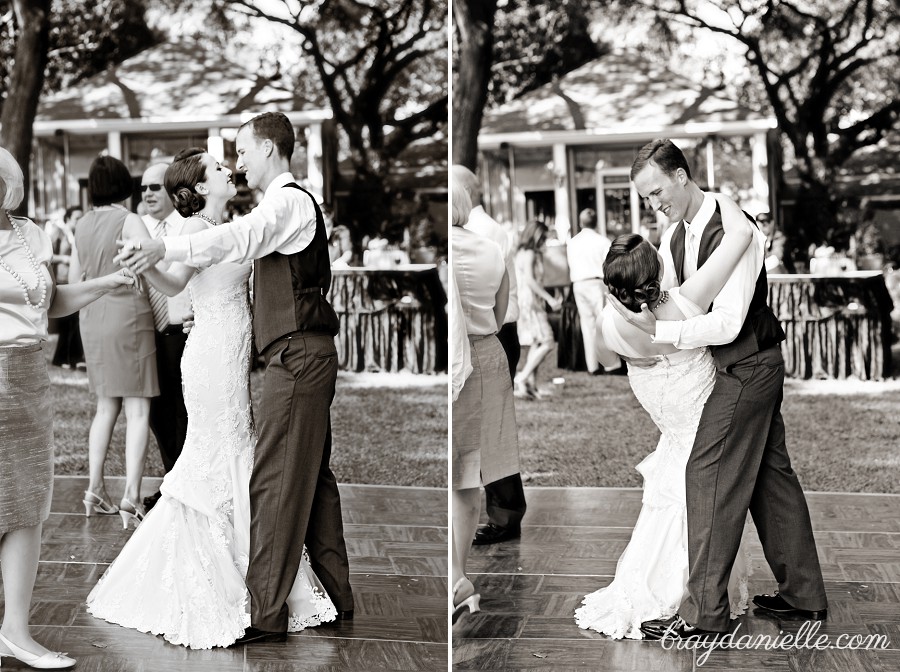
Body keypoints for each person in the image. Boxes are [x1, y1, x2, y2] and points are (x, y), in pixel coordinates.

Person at [115, 112, 354, 644]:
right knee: (312, 478)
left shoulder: (286, 202)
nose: (237, 162)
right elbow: (213, 264)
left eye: (242, 151)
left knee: (275, 481)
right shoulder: (277, 204)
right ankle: (337, 594)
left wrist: (165, 247)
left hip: (295, 355)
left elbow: (241, 239)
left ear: (269, 149)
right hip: (285, 352)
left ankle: (265, 614)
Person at [610, 139, 826, 641]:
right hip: (730, 366)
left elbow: (727, 324)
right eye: (644, 198)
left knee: (705, 475)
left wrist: (658, 333)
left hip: (747, 364)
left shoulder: (736, 229)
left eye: (656, 191)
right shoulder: (675, 236)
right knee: (772, 479)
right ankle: (804, 595)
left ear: (682, 176)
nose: (653, 204)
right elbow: (674, 298)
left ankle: (702, 616)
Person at [575, 187, 754, 638]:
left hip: (668, 424)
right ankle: (685, 596)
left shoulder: (606, 326)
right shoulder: (681, 306)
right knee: (692, 499)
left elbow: (609, 362)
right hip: (702, 420)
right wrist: (722, 200)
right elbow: (739, 240)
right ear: (656, 272)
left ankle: (649, 586)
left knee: (665, 501)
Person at [0, 146, 135, 670]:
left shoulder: (27, 234)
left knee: (29, 503)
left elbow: (47, 301)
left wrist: (106, 283)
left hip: (30, 374)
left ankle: (15, 631)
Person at [70, 155, 159, 527]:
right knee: (137, 410)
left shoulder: (81, 223)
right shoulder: (130, 219)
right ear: (126, 185)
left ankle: (94, 488)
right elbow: (151, 268)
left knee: (105, 408)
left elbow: (76, 277)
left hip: (92, 316)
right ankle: (131, 496)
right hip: (128, 315)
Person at [450, 177, 516, 624]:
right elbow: (499, 313)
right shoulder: (491, 250)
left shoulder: (448, 255)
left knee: (450, 467)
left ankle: (454, 579)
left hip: (456, 359)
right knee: (469, 475)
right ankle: (458, 574)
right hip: (487, 355)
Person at [453, 164, 527, 546]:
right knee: (488, 432)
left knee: (490, 434)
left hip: (489, 337)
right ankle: (495, 510)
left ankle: (503, 514)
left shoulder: (487, 234)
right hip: (493, 333)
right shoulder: (485, 233)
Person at [139, 162, 190, 511]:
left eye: (155, 187)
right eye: (143, 188)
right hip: (146, 333)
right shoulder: (137, 227)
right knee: (157, 413)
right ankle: (173, 480)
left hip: (183, 333)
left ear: (172, 191)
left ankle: (183, 484)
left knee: (184, 413)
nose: (147, 194)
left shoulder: (189, 228)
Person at [566, 208, 619, 374]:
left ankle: (592, 366)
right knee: (602, 324)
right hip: (597, 283)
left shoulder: (572, 242)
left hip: (579, 284)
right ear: (596, 222)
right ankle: (609, 364)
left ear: (581, 223)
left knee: (587, 325)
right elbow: (610, 265)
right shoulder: (603, 241)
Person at [514, 218, 561, 399]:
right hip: (529, 302)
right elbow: (530, 281)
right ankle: (522, 377)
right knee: (548, 341)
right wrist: (549, 298)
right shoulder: (529, 253)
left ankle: (529, 386)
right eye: (543, 238)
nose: (545, 241)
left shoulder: (525, 252)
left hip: (530, 300)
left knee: (537, 342)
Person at [50, 205, 86, 368]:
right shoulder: (58, 233)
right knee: (68, 323)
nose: (79, 221)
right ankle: (64, 358)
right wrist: (64, 259)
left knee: (73, 322)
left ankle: (71, 357)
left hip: (75, 282)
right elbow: (46, 255)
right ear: (68, 219)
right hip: (62, 281)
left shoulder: (77, 235)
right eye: (76, 218)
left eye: (81, 218)